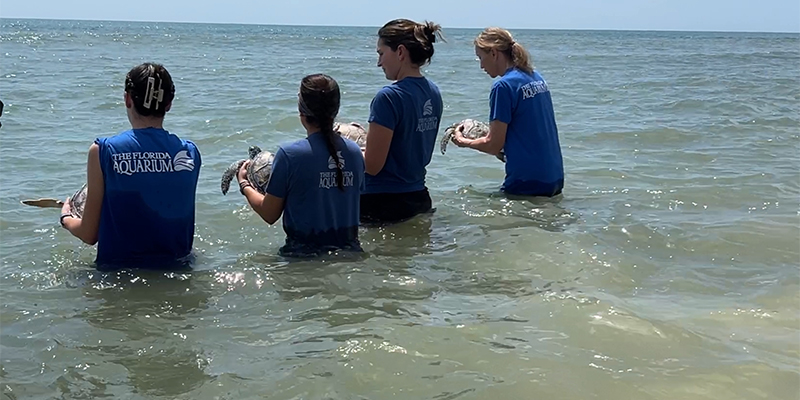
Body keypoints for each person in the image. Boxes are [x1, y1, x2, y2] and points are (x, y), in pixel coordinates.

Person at [60, 62, 202, 270]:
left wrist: (66, 217)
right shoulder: (190, 153)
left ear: (127, 99)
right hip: (178, 269)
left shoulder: (103, 150)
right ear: (169, 103)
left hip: (118, 275)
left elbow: (89, 235)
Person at [237, 73, 364, 257]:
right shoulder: (355, 153)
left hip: (303, 256)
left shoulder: (289, 155)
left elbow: (269, 214)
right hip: (351, 253)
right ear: (335, 109)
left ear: (302, 112)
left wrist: (244, 184)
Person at [452, 27, 564, 197]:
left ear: (494, 53)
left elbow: (493, 145)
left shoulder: (502, 86)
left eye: (480, 58)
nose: (481, 65)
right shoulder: (536, 77)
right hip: (554, 177)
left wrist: (463, 141)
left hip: (526, 181)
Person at [360, 18, 445, 224]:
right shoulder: (433, 92)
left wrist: (343, 147)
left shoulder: (389, 97)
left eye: (381, 54)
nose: (379, 62)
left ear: (400, 52)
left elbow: (372, 166)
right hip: (419, 197)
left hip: (381, 202)